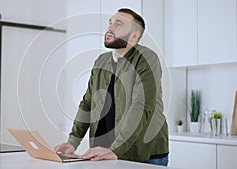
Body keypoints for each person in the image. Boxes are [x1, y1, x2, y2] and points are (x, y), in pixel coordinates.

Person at [55, 8, 169, 166]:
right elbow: (88, 103)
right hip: (102, 152)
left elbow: (141, 106)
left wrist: (116, 149)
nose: (110, 28)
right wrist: (73, 142)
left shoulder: (146, 59)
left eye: (119, 24)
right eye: (110, 23)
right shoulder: (101, 61)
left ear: (135, 36)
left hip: (143, 154)